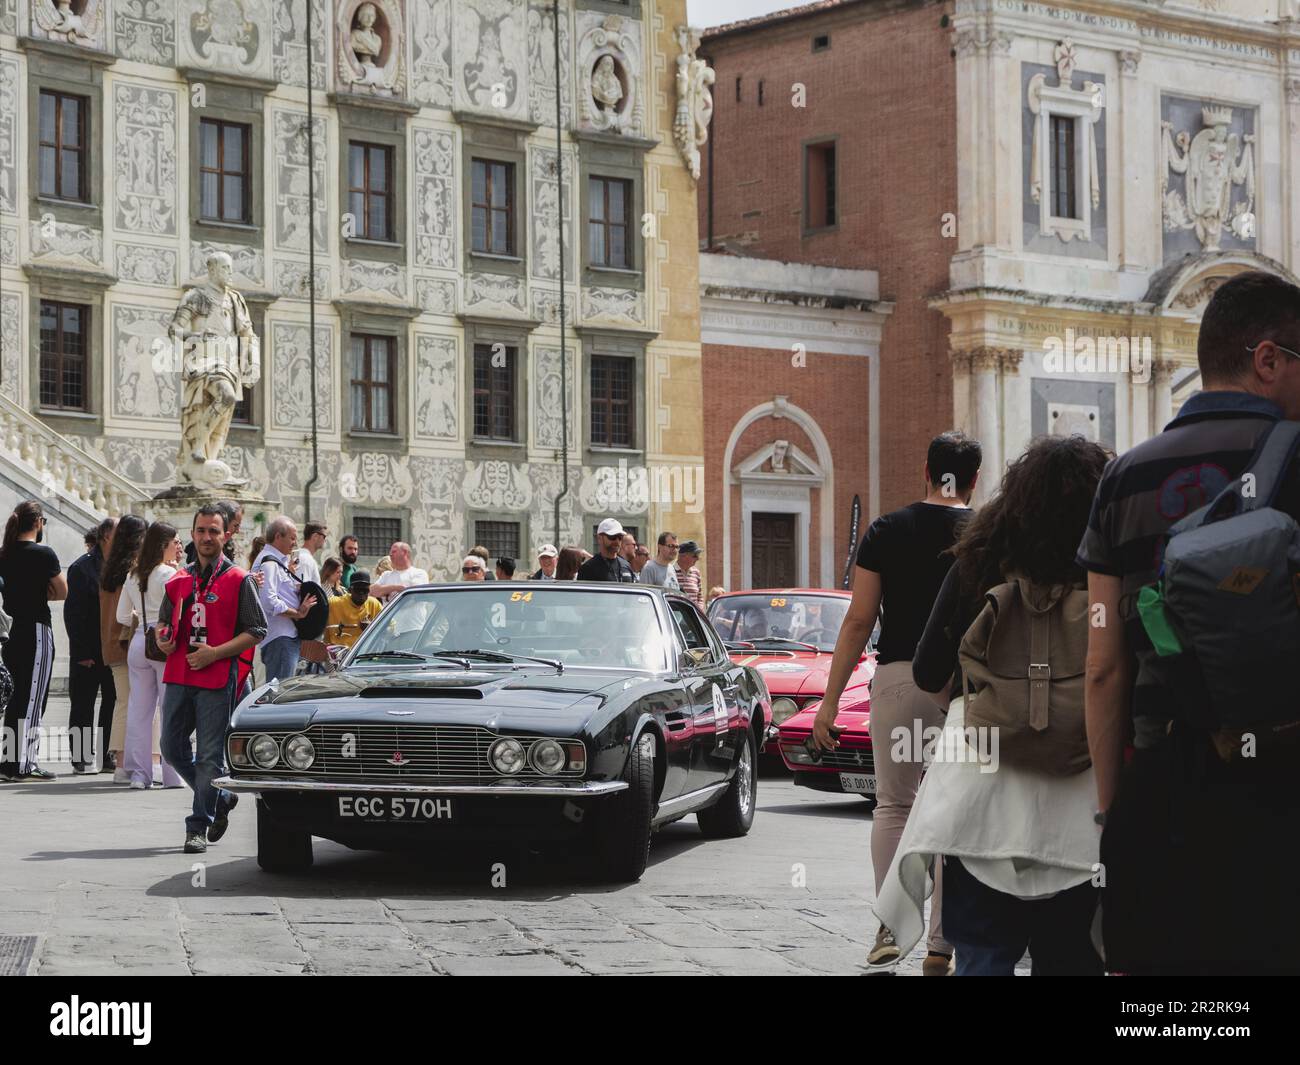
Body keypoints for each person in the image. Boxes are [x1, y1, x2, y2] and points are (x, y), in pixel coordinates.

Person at [1079, 271, 1300, 974]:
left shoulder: (1123, 478)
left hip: (1162, 785)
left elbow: (1103, 665)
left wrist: (1116, 813)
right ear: (1268, 360)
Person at [875, 435, 1108, 976]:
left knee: (982, 958)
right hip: (1080, 810)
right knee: (1073, 958)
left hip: (979, 801)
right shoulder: (1107, 571)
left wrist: (974, 697)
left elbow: (929, 671)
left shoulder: (977, 562)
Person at [813, 429, 982, 974]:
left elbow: (859, 619)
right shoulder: (986, 534)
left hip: (899, 680)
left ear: (926, 472)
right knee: (956, 817)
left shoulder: (887, 529)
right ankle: (941, 945)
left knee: (894, 805)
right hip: (969, 689)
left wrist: (829, 702)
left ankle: (890, 923)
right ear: (974, 479)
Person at [156, 504, 267, 853]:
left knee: (208, 757)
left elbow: (257, 630)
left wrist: (216, 653)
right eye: (201, 531)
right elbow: (162, 624)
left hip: (218, 678)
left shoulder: (239, 579)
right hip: (178, 673)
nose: (206, 537)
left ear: (225, 535)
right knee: (170, 748)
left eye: (213, 531)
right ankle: (219, 797)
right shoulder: (177, 580)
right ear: (192, 535)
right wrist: (163, 638)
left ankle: (197, 826)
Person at [0, 502, 65, 781]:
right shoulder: (44, 554)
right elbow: (62, 591)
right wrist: (40, 591)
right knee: (33, 697)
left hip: (11, 630)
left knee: (15, 696)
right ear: (38, 522)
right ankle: (23, 763)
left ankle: (8, 761)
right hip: (36, 628)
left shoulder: (3, 554)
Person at [118, 522, 184, 790]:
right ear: (163, 545)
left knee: (138, 711)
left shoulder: (133, 575)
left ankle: (138, 774)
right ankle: (172, 774)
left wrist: (143, 618)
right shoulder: (169, 574)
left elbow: (122, 616)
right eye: (175, 542)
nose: (177, 547)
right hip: (164, 642)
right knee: (170, 710)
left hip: (139, 642)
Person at [66, 517, 117, 774]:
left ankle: (106, 754)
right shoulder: (82, 568)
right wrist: (82, 652)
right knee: (83, 704)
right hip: (88, 648)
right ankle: (81, 756)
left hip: (112, 647)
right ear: (106, 536)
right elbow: (73, 613)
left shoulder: (121, 567)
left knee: (112, 701)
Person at [100, 513, 148, 781]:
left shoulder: (109, 568)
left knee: (123, 703)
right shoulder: (133, 570)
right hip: (127, 642)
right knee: (134, 704)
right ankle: (126, 763)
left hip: (111, 643)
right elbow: (131, 612)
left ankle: (121, 763)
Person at [252, 516, 317, 683]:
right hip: (280, 639)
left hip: (283, 638)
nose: (295, 543)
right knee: (278, 694)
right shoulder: (269, 562)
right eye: (292, 538)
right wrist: (298, 613)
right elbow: (268, 601)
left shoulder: (274, 561)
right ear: (278, 537)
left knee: (280, 692)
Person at [324, 570, 382, 649]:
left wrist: (371, 627)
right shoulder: (333, 603)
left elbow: (390, 629)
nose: (361, 593)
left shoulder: (374, 604)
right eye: (358, 589)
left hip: (363, 653)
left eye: (365, 590)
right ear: (350, 590)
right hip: (338, 653)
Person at [294, 522, 327, 586]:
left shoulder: (300, 555)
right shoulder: (305, 559)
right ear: (315, 536)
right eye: (324, 536)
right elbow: (302, 588)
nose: (325, 540)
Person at [674, 540, 705, 607]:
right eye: (695, 556)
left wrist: (699, 609)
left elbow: (700, 596)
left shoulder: (696, 573)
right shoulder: (671, 571)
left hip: (693, 615)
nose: (698, 558)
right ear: (683, 556)